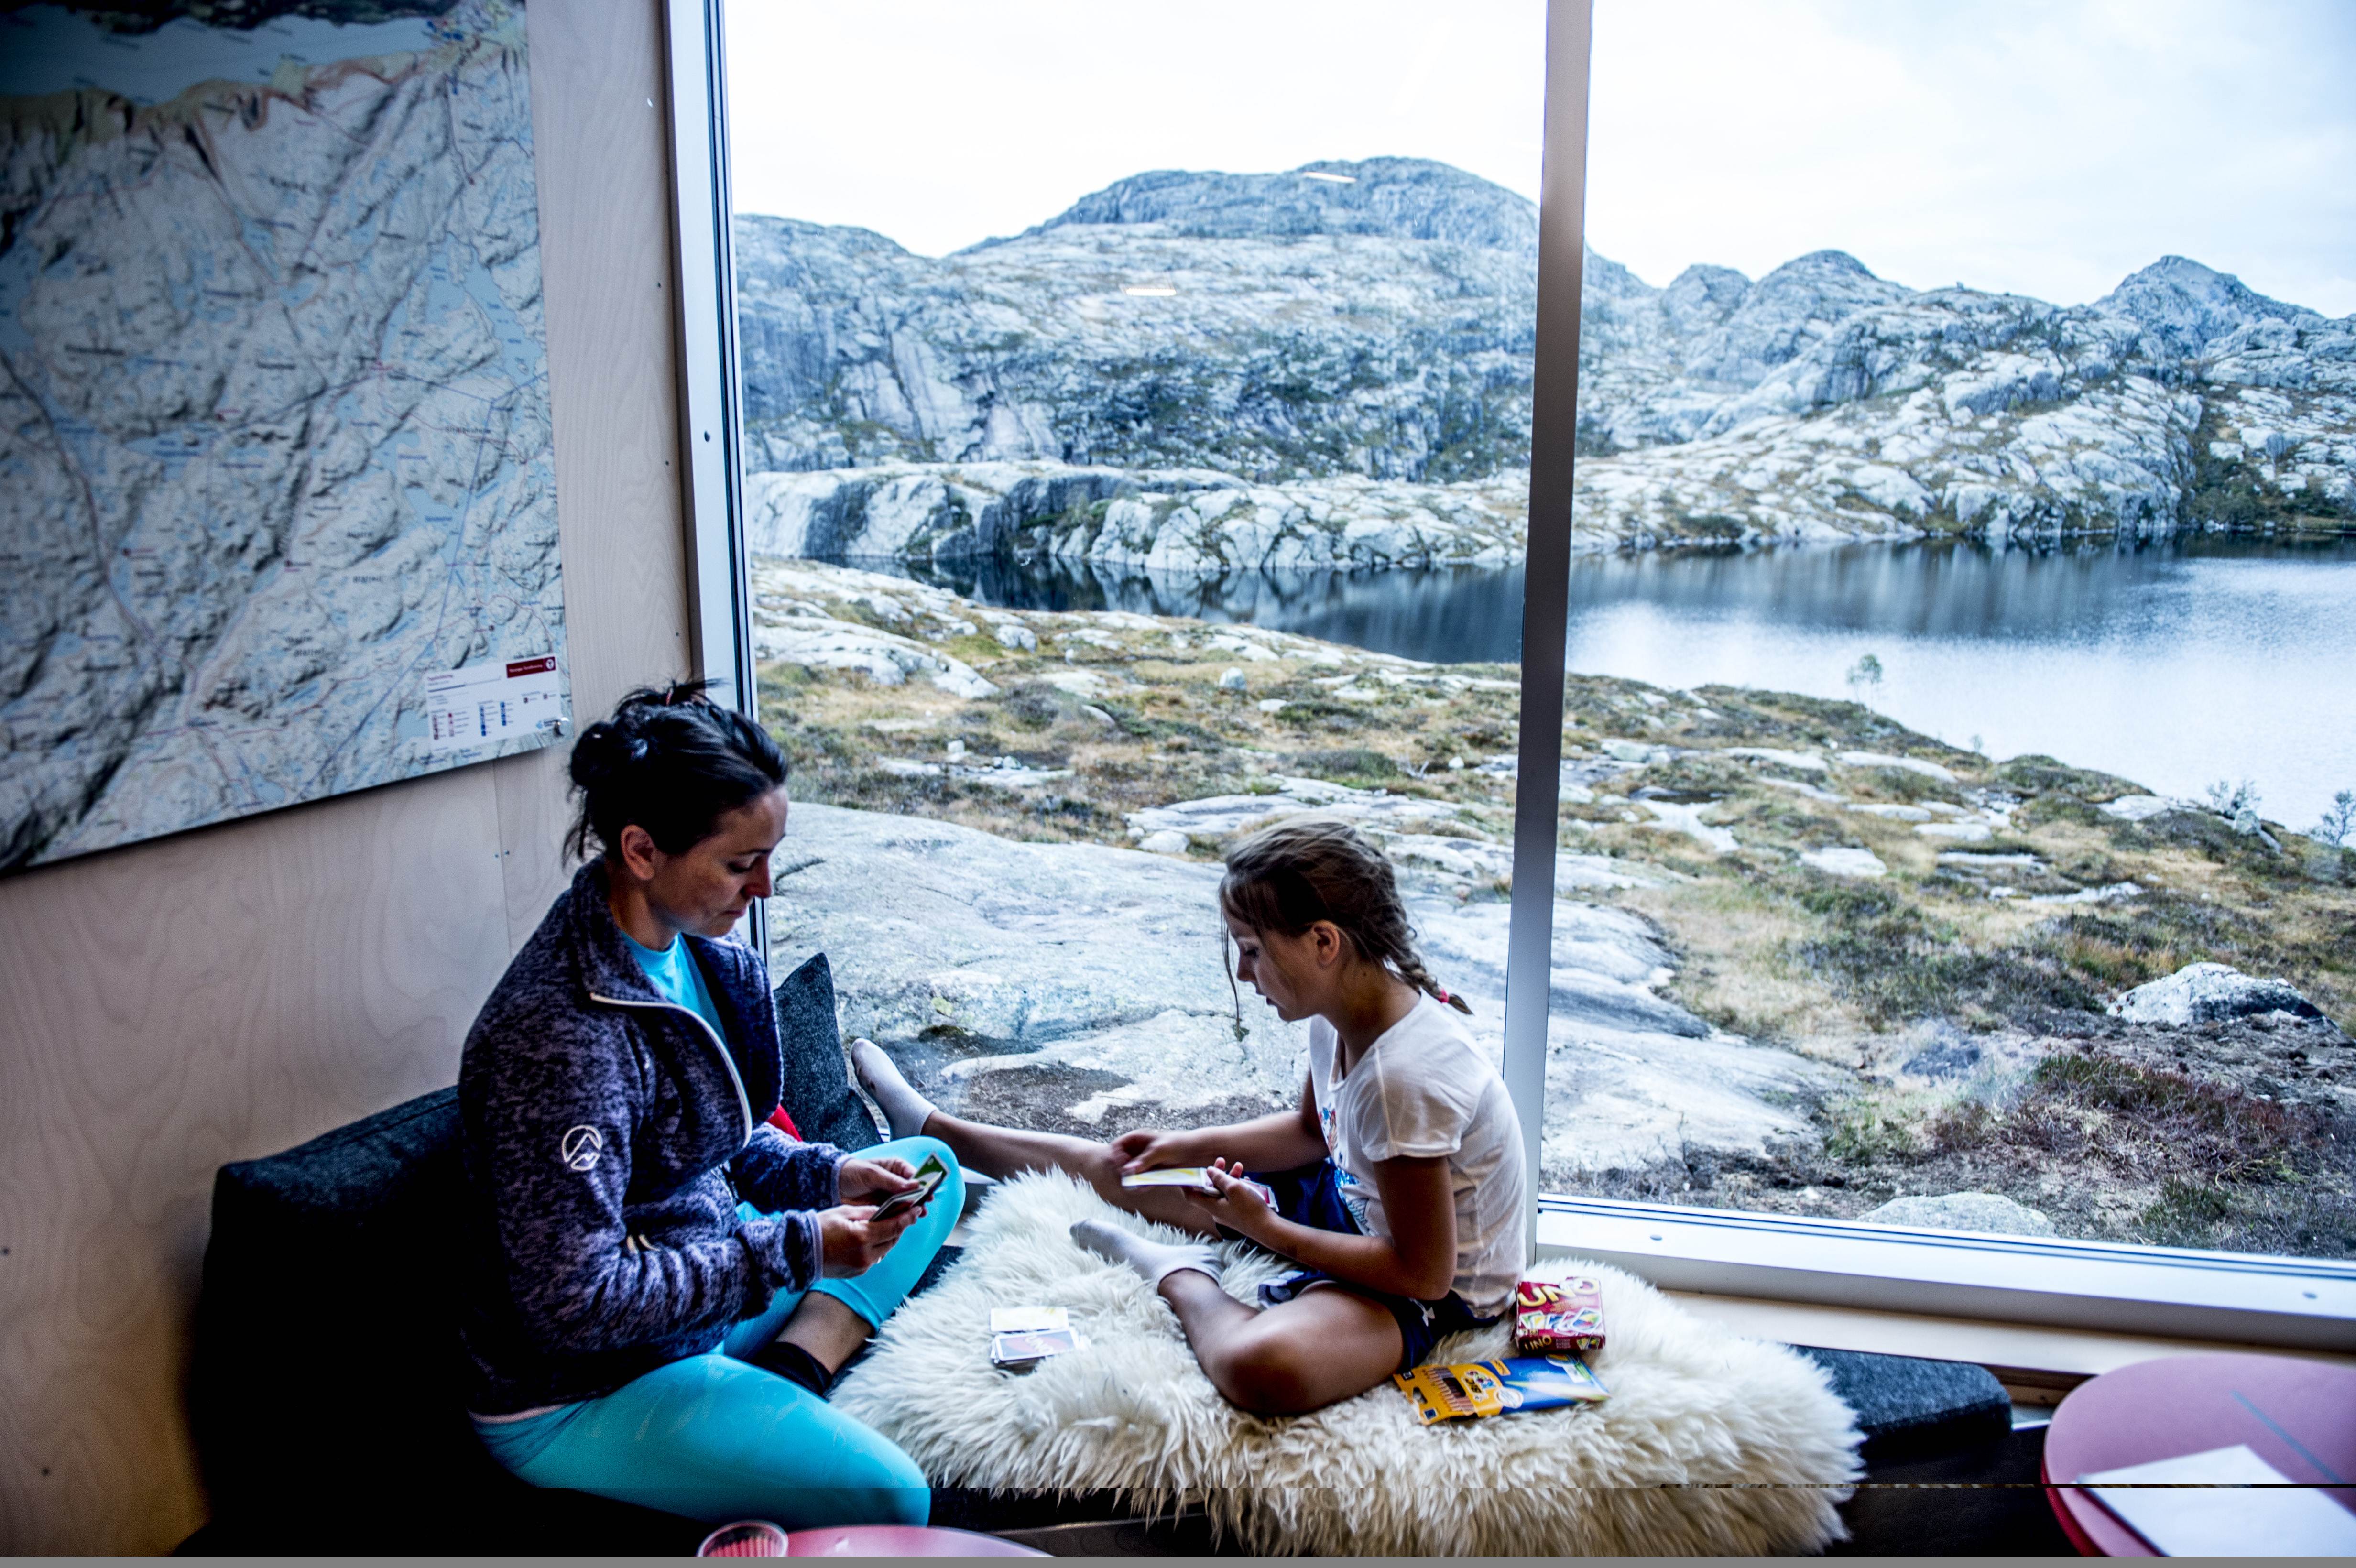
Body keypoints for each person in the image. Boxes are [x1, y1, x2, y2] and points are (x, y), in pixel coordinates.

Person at [457, 681, 961, 1528]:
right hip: (590, 1385)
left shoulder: (692, 951)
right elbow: (575, 1302)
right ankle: (758, 1405)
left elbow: (723, 1140)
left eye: (770, 855)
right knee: (894, 1497)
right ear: (642, 849)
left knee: (927, 1170)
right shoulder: (557, 1040)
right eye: (739, 864)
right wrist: (799, 1246)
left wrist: (829, 1175)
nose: (763, 887)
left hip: (700, 1292)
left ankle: (792, 1376)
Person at [852, 817, 1527, 1417]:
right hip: (1353, 1205)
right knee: (1129, 1166)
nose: (1242, 969)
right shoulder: (1343, 1013)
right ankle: (937, 1129)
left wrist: (1268, 1230)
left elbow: (1422, 1273)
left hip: (1430, 1294)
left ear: (1324, 941)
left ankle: (1175, 1270)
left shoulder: (1402, 1077)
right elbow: (1309, 1135)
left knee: (1260, 1368)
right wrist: (1183, 1146)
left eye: (1254, 949)